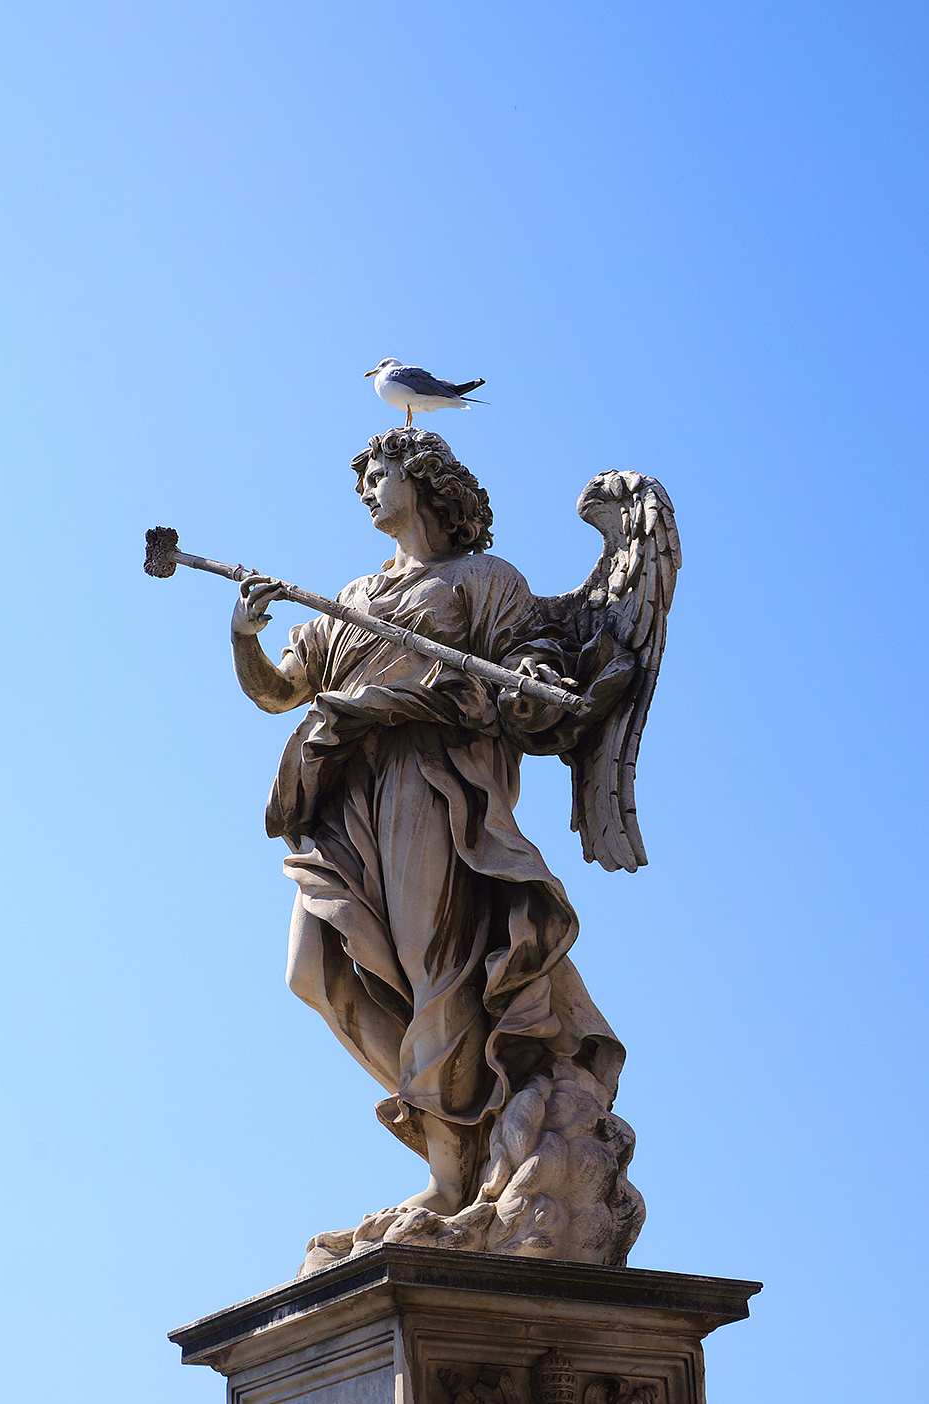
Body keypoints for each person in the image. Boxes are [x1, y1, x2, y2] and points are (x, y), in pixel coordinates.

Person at [231, 428, 625, 1216]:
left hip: (433, 779)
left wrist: (532, 673)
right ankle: (460, 1132)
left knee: (433, 972)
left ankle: (453, 1169)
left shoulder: (482, 577)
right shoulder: (350, 598)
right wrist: (245, 636)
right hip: (346, 788)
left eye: (379, 475)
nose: (367, 491)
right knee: (313, 972)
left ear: (424, 481)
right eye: (362, 482)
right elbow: (279, 691)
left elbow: (526, 662)